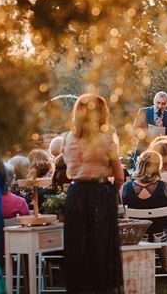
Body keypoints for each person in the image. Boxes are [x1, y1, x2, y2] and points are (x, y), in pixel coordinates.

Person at [62, 94, 124, 294]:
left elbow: (65, 168)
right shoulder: (106, 139)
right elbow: (119, 176)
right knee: (101, 247)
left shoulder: (67, 138)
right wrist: (110, 193)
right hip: (100, 193)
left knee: (77, 246)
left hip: (76, 194)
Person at [122, 151, 167, 272]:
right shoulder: (164, 187)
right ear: (157, 167)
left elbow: (124, 207)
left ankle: (141, 265)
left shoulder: (126, 187)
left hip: (137, 235)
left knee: (156, 225)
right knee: (162, 225)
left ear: (139, 165)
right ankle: (165, 265)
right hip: (161, 236)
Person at [133, 91, 167, 159]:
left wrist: (163, 128)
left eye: (163, 104)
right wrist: (147, 134)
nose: (160, 106)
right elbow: (135, 130)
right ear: (154, 101)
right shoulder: (143, 112)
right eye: (158, 103)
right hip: (143, 151)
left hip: (162, 154)